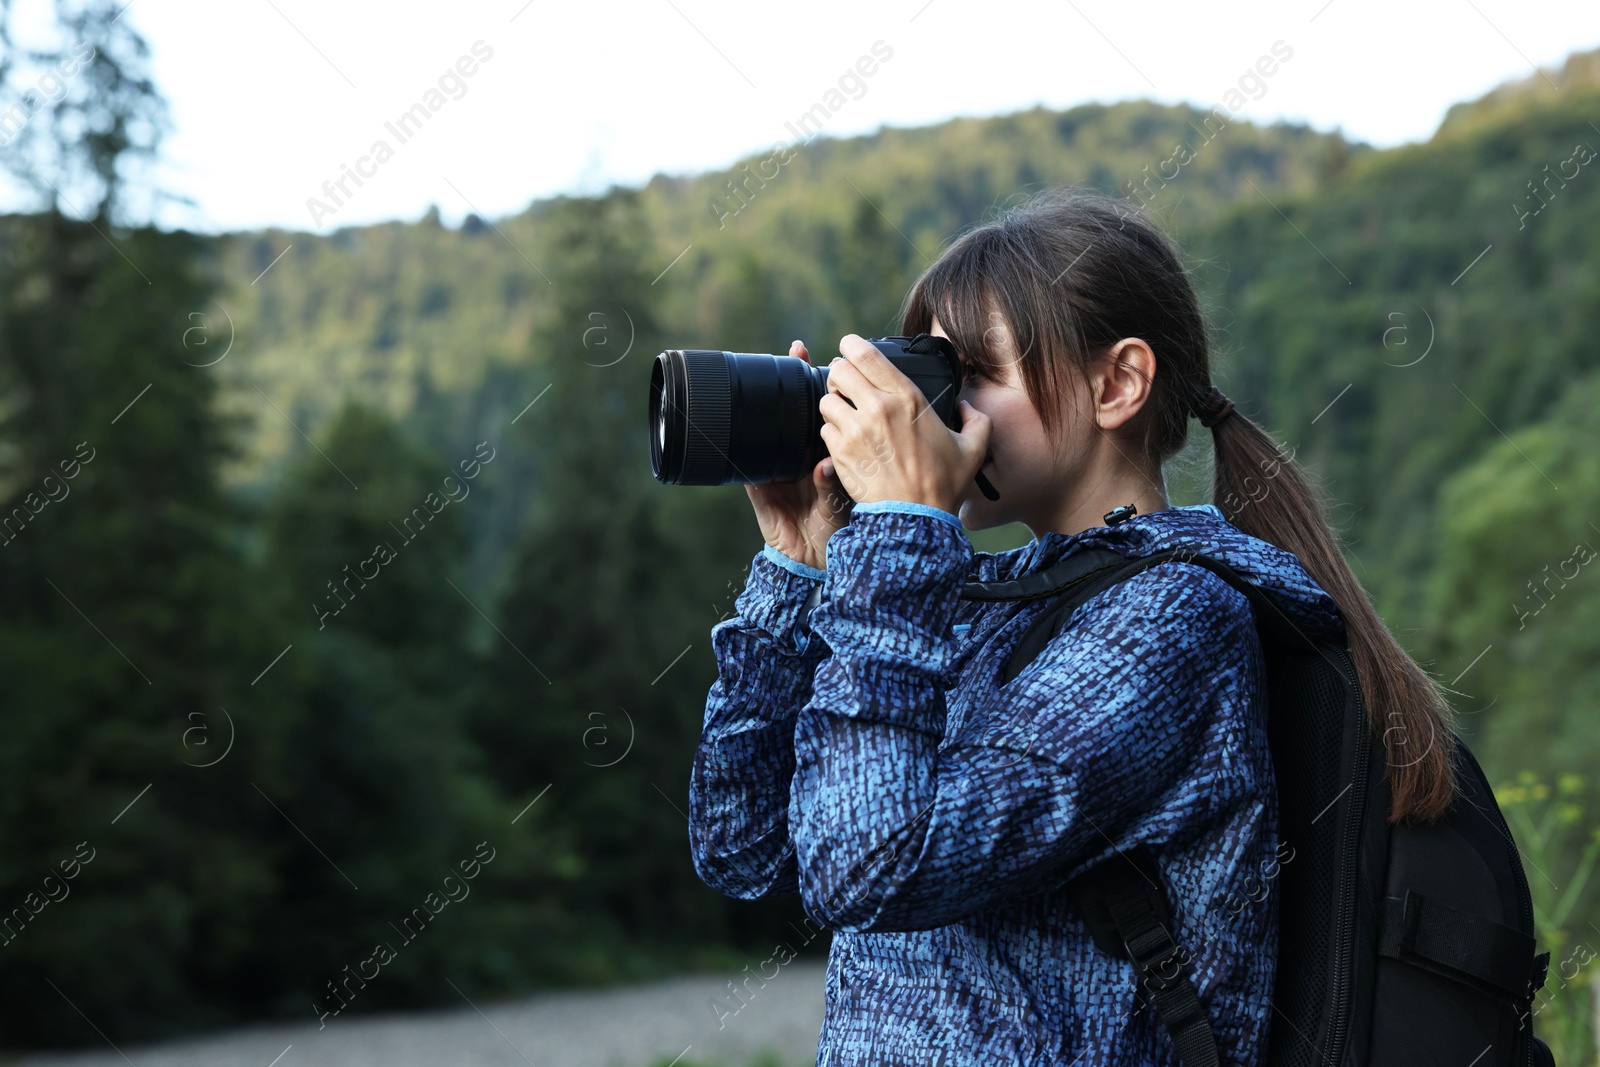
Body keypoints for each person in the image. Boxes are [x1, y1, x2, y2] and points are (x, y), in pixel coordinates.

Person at [686, 188, 1458, 1066]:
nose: (930, 409)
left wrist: (904, 527)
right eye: (921, 370)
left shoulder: (1173, 622)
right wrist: (796, 568)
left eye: (969, 372)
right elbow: (743, 848)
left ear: (1117, 383)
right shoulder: (983, 598)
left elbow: (866, 866)